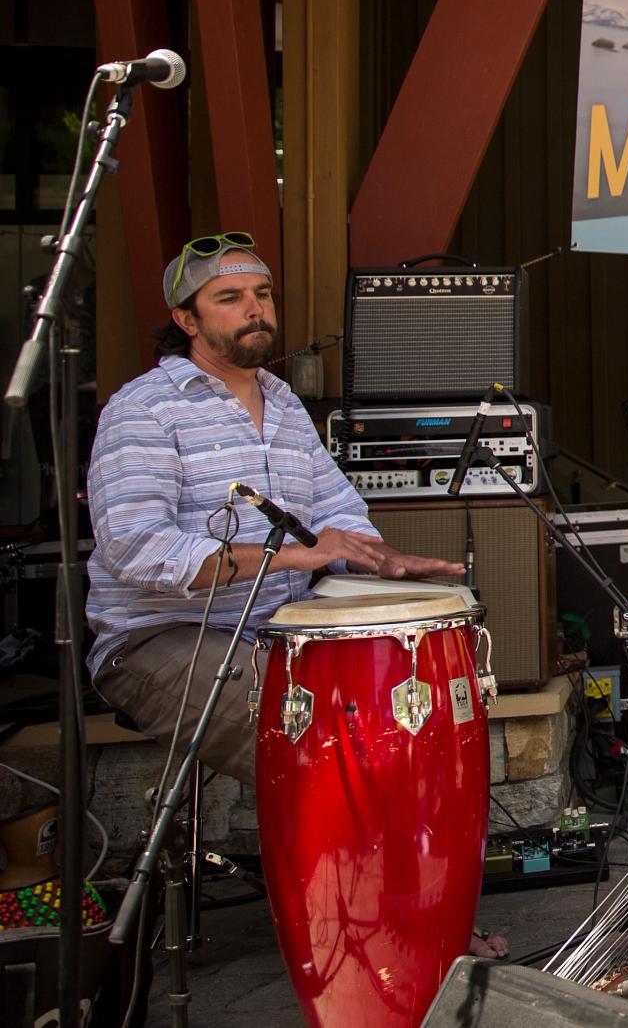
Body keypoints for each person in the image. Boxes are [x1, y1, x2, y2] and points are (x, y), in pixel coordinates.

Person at [87, 236, 491, 947]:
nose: (254, 310)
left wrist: (380, 560)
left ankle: (412, 919)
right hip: (158, 638)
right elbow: (136, 550)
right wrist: (294, 556)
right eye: (230, 299)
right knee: (324, 745)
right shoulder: (142, 410)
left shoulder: (280, 401)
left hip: (276, 630)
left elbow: (336, 513)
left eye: (262, 295)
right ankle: (374, 939)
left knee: (400, 727)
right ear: (187, 319)